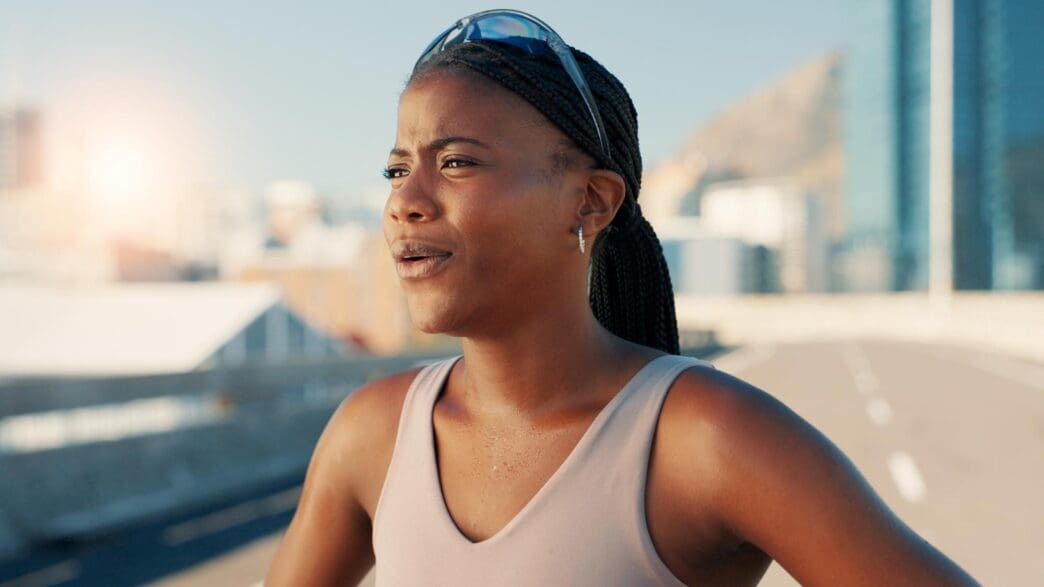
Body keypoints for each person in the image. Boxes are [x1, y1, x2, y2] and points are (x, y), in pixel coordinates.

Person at [266, 9, 978, 586]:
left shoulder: (708, 439)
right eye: (397, 170)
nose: (405, 202)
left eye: (456, 162)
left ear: (591, 201)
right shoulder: (372, 435)